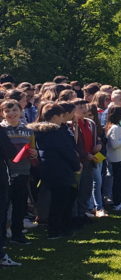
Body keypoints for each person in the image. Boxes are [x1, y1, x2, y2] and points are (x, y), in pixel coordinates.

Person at [30, 104, 81, 240]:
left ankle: (60, 227)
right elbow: (66, 151)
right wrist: (76, 165)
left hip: (48, 168)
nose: (63, 118)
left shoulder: (40, 132)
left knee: (62, 198)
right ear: (54, 117)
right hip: (60, 168)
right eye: (61, 116)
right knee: (62, 200)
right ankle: (56, 229)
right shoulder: (56, 132)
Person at [2, 100, 33, 258]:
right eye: (7, 111)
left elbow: (33, 148)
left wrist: (33, 153)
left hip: (23, 170)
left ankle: (17, 234)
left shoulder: (28, 130)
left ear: (21, 111)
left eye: (14, 110)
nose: (11, 114)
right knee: (4, 206)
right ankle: (3, 237)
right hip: (6, 172)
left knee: (20, 204)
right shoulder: (2, 130)